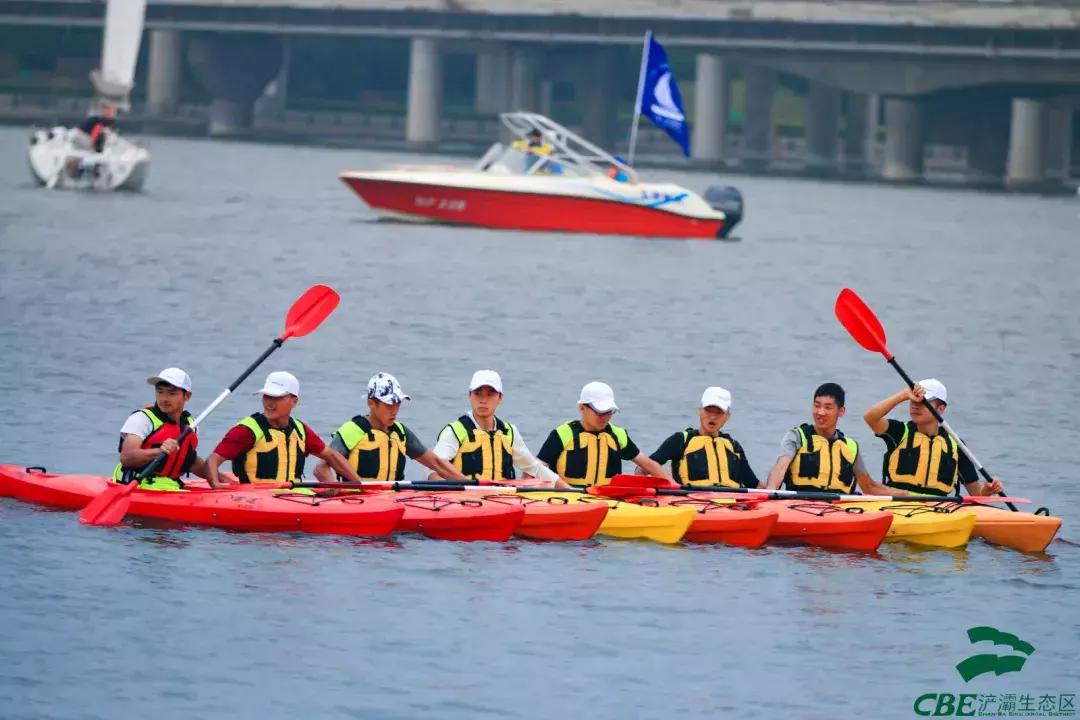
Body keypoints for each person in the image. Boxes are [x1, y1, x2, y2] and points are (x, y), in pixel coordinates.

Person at [205, 371, 360, 489]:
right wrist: (217, 488)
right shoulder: (247, 430)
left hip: (294, 496)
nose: (270, 403)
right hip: (257, 499)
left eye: (277, 398)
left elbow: (331, 455)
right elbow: (212, 461)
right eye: (267, 397)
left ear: (294, 401)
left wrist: (359, 485)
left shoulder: (300, 430)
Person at [313, 372, 465, 483]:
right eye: (389, 404)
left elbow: (437, 464)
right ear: (371, 403)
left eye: (398, 403)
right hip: (356, 501)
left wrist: (470, 486)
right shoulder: (353, 430)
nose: (395, 410)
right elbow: (320, 469)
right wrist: (334, 488)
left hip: (392, 501)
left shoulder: (400, 432)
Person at [863, 379, 1004, 497]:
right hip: (900, 504)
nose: (915, 406)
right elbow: (870, 417)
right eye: (913, 400)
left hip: (940, 509)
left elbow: (976, 496)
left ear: (941, 409)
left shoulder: (956, 445)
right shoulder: (900, 432)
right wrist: (903, 395)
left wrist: (987, 490)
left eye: (923, 402)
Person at [430, 370, 569, 488]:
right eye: (478, 393)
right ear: (469, 396)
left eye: (490, 394)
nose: (483, 400)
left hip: (501, 500)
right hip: (464, 500)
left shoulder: (509, 432)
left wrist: (570, 489)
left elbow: (534, 467)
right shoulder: (455, 431)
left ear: (500, 398)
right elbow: (433, 469)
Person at [765, 382, 893, 495]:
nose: (820, 412)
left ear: (841, 411)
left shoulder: (850, 447)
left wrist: (906, 494)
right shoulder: (797, 436)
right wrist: (770, 491)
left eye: (828, 407)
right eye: (817, 405)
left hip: (837, 511)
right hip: (800, 506)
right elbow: (780, 469)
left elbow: (869, 487)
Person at [536, 381, 670, 488]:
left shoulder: (618, 435)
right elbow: (536, 469)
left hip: (607, 499)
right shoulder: (563, 434)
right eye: (600, 413)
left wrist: (674, 486)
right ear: (582, 408)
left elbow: (648, 464)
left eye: (609, 412)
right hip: (567, 498)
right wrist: (565, 489)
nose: (605, 418)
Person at [114, 367, 224, 490]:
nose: (164, 399)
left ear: (187, 396)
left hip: (170, 485)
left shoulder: (190, 424)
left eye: (172, 393)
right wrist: (159, 451)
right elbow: (127, 457)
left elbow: (190, 462)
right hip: (137, 485)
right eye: (160, 392)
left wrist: (221, 479)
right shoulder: (142, 419)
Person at [650, 386, 759, 488]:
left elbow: (755, 485)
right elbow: (646, 466)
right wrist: (671, 483)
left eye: (719, 412)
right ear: (699, 411)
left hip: (731, 504)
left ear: (727, 417)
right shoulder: (681, 440)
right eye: (708, 410)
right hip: (691, 502)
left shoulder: (734, 447)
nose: (712, 416)